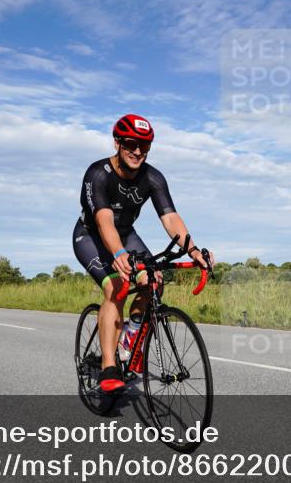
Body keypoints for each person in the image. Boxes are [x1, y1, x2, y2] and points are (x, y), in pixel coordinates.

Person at [73, 114, 212, 393]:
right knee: (117, 286)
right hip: (91, 236)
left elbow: (171, 218)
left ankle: (128, 340)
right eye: (131, 144)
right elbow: (103, 221)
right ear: (117, 143)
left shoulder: (153, 177)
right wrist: (119, 253)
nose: (138, 151)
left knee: (154, 280)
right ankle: (109, 366)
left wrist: (193, 249)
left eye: (145, 146)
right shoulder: (98, 173)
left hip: (125, 234)